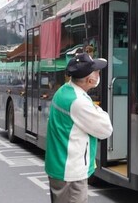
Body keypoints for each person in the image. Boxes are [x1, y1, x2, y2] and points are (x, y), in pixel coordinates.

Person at [45, 53, 113, 203]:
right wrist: (98, 110)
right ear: (90, 79)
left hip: (61, 166)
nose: (99, 73)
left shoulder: (64, 90)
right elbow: (106, 130)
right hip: (70, 172)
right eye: (96, 71)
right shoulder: (78, 102)